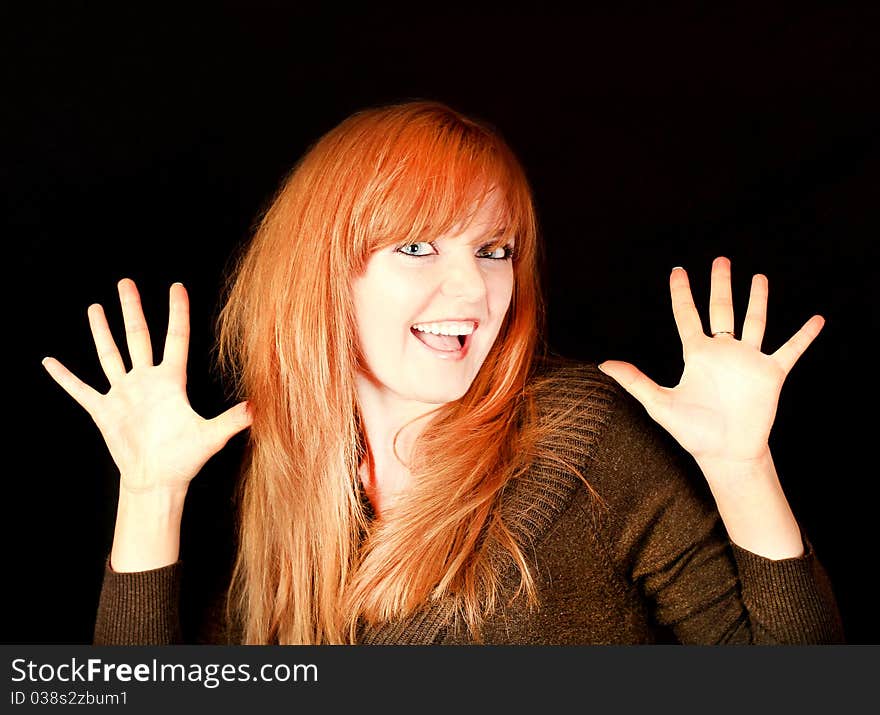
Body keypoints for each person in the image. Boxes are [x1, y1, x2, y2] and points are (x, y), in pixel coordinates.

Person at [41, 100, 845, 645]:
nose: (473, 290)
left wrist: (743, 470)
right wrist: (149, 496)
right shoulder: (277, 478)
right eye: (418, 245)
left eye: (494, 251)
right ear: (324, 271)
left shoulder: (581, 438)